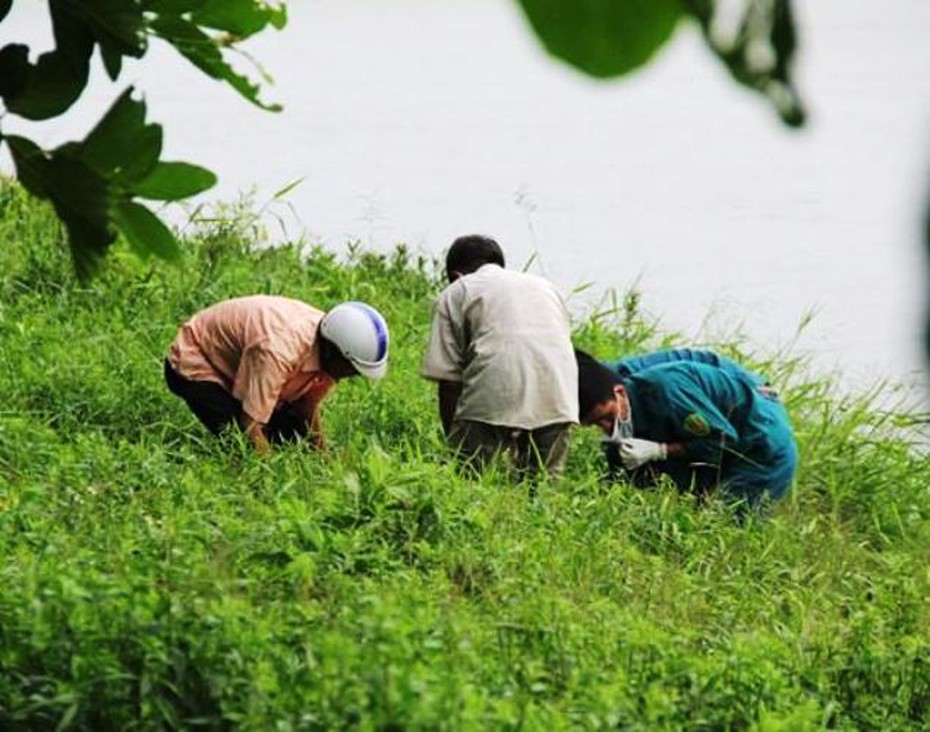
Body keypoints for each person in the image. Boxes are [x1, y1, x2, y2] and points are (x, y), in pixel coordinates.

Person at [421, 235, 578, 480]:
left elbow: (449, 381)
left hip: (493, 388)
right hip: (560, 394)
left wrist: (455, 441)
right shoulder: (546, 287)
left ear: (455, 275)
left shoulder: (459, 290)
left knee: (466, 481)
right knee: (541, 490)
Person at [575, 348, 797, 511]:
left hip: (761, 446)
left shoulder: (669, 393)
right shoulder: (608, 380)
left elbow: (721, 442)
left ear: (621, 394)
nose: (606, 428)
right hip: (718, 424)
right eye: (595, 424)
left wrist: (660, 450)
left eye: (605, 418)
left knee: (726, 522)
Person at [164, 295, 389, 453]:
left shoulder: (330, 345)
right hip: (195, 360)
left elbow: (307, 406)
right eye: (351, 368)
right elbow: (250, 425)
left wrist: (324, 457)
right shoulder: (278, 351)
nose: (351, 377)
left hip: (242, 365)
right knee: (238, 437)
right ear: (333, 351)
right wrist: (270, 475)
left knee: (291, 438)